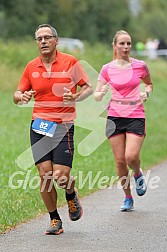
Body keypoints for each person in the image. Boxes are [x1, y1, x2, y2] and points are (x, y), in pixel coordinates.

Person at [13, 24, 93, 234]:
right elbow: (17, 94)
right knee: (44, 174)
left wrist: (76, 96)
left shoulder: (70, 62)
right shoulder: (31, 67)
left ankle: (70, 192)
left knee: (61, 175)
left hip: (63, 125)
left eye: (47, 37)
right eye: (39, 39)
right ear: (36, 43)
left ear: (56, 41)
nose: (43, 41)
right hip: (39, 125)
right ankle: (55, 219)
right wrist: (21, 97)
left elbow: (87, 87)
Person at [94, 30, 153, 211]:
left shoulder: (140, 66)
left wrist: (147, 93)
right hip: (114, 117)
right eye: (122, 43)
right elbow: (96, 95)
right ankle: (128, 197)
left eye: (128, 43)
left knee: (131, 156)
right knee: (120, 161)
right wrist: (101, 93)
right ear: (115, 46)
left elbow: (149, 84)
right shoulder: (107, 68)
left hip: (135, 114)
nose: (126, 47)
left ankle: (137, 173)